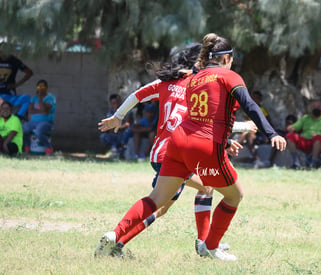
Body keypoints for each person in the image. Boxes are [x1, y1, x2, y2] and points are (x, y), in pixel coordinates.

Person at [96, 33, 286, 261]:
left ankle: (114, 235)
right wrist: (272, 132)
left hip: (176, 143)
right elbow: (249, 105)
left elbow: (200, 116)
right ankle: (209, 246)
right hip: (201, 146)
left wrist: (225, 140)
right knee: (234, 196)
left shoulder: (192, 79)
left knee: (157, 200)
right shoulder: (228, 76)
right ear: (227, 58)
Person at [286, 100, 321, 169]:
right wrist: (289, 127)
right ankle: (295, 163)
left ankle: (313, 163)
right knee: (290, 136)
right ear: (311, 108)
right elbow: (292, 128)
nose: (316, 108)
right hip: (304, 142)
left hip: (319, 143)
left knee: (318, 138)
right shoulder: (305, 118)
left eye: (319, 106)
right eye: (314, 106)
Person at [237, 91, 273, 167]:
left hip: (260, 131)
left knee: (246, 133)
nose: (254, 99)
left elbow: (267, 122)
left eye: (256, 98)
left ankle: (232, 150)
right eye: (252, 98)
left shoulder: (262, 109)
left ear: (260, 99)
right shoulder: (248, 108)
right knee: (246, 133)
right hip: (251, 130)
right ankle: (256, 159)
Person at [0, 42, 33, 120]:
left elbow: (29, 72)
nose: (3, 54)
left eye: (5, 52)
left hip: (8, 92)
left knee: (26, 99)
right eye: (1, 52)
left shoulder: (14, 61)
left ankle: (18, 118)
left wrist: (16, 85)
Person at [22, 80, 56, 155]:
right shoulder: (34, 98)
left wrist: (40, 98)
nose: (40, 88)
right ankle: (27, 148)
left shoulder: (51, 98)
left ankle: (49, 147)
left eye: (42, 86)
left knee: (38, 132)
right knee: (24, 129)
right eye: (39, 87)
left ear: (46, 88)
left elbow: (44, 109)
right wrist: (43, 111)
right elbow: (30, 110)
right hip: (33, 122)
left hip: (47, 122)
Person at [99, 94, 133, 158]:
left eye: (117, 102)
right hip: (115, 132)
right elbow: (109, 126)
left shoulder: (127, 111)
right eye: (114, 103)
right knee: (104, 136)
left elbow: (127, 124)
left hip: (124, 132)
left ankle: (119, 150)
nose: (116, 105)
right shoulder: (110, 113)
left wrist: (118, 127)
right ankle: (114, 150)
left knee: (127, 132)